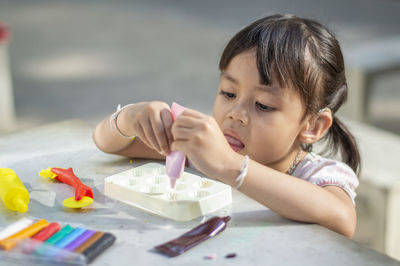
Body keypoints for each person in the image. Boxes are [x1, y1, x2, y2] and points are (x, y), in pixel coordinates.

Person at [93, 14, 360, 238]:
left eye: (264, 105)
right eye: (229, 93)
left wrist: (231, 167)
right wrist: (130, 118)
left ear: (313, 125)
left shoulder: (315, 175)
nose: (236, 114)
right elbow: (107, 143)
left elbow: (343, 219)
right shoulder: (201, 149)